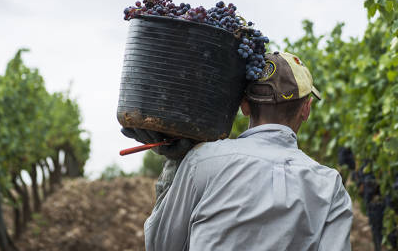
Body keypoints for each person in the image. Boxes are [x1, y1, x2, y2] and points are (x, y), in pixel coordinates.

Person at [122, 51, 353, 251]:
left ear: (244, 105)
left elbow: (161, 244)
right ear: (306, 109)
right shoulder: (329, 185)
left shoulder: (202, 161)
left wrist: (174, 163)